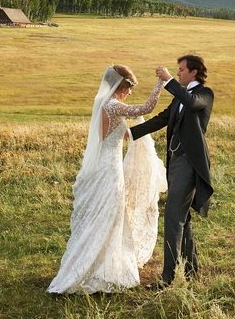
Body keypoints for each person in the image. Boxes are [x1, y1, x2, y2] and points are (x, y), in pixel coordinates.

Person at [47, 65, 167, 294]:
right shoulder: (113, 105)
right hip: (110, 169)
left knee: (108, 212)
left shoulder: (105, 105)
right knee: (109, 213)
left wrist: (136, 137)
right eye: (129, 88)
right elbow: (147, 108)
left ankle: (102, 262)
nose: (130, 92)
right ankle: (95, 267)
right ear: (121, 86)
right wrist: (161, 83)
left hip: (106, 164)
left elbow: (117, 133)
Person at [130, 54, 214, 286]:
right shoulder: (180, 98)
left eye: (181, 70)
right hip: (175, 163)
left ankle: (168, 278)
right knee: (182, 218)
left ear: (194, 72)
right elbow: (162, 119)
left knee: (173, 218)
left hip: (189, 164)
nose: (178, 73)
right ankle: (191, 270)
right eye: (177, 71)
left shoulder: (204, 94)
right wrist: (130, 133)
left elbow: (192, 103)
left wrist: (168, 81)